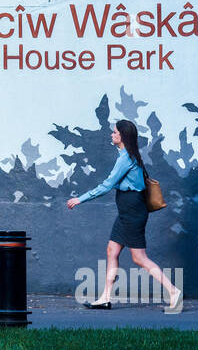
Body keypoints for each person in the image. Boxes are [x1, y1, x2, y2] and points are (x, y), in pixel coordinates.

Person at [66, 119, 181, 311]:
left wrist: (81, 199)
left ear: (122, 136)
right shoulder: (128, 155)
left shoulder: (126, 158)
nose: (111, 135)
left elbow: (107, 185)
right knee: (112, 251)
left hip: (133, 212)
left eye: (114, 132)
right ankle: (105, 298)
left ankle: (174, 292)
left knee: (139, 258)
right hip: (126, 212)